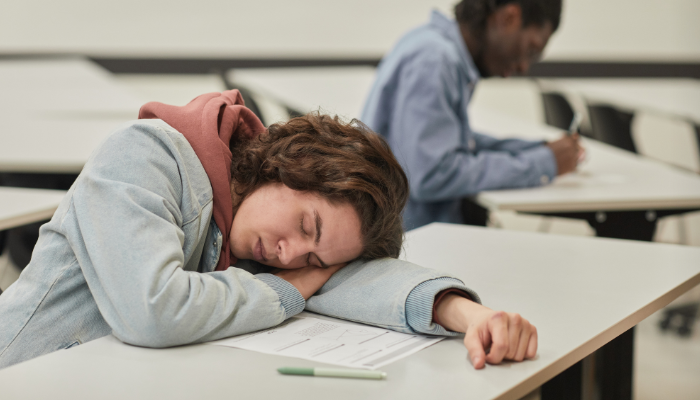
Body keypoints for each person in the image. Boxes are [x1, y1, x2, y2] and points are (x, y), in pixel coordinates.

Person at [0, 90, 536, 370]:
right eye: (307, 226)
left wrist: (468, 314)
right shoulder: (142, 157)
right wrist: (289, 289)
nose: (290, 254)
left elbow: (354, 278)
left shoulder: (256, 226)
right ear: (289, 165)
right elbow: (152, 310)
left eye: (312, 259)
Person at [362, 0, 583, 230]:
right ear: (509, 17)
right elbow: (432, 174)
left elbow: (453, 141)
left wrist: (537, 149)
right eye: (531, 49)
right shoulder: (435, 59)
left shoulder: (433, 45)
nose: (524, 67)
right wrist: (543, 164)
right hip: (417, 244)